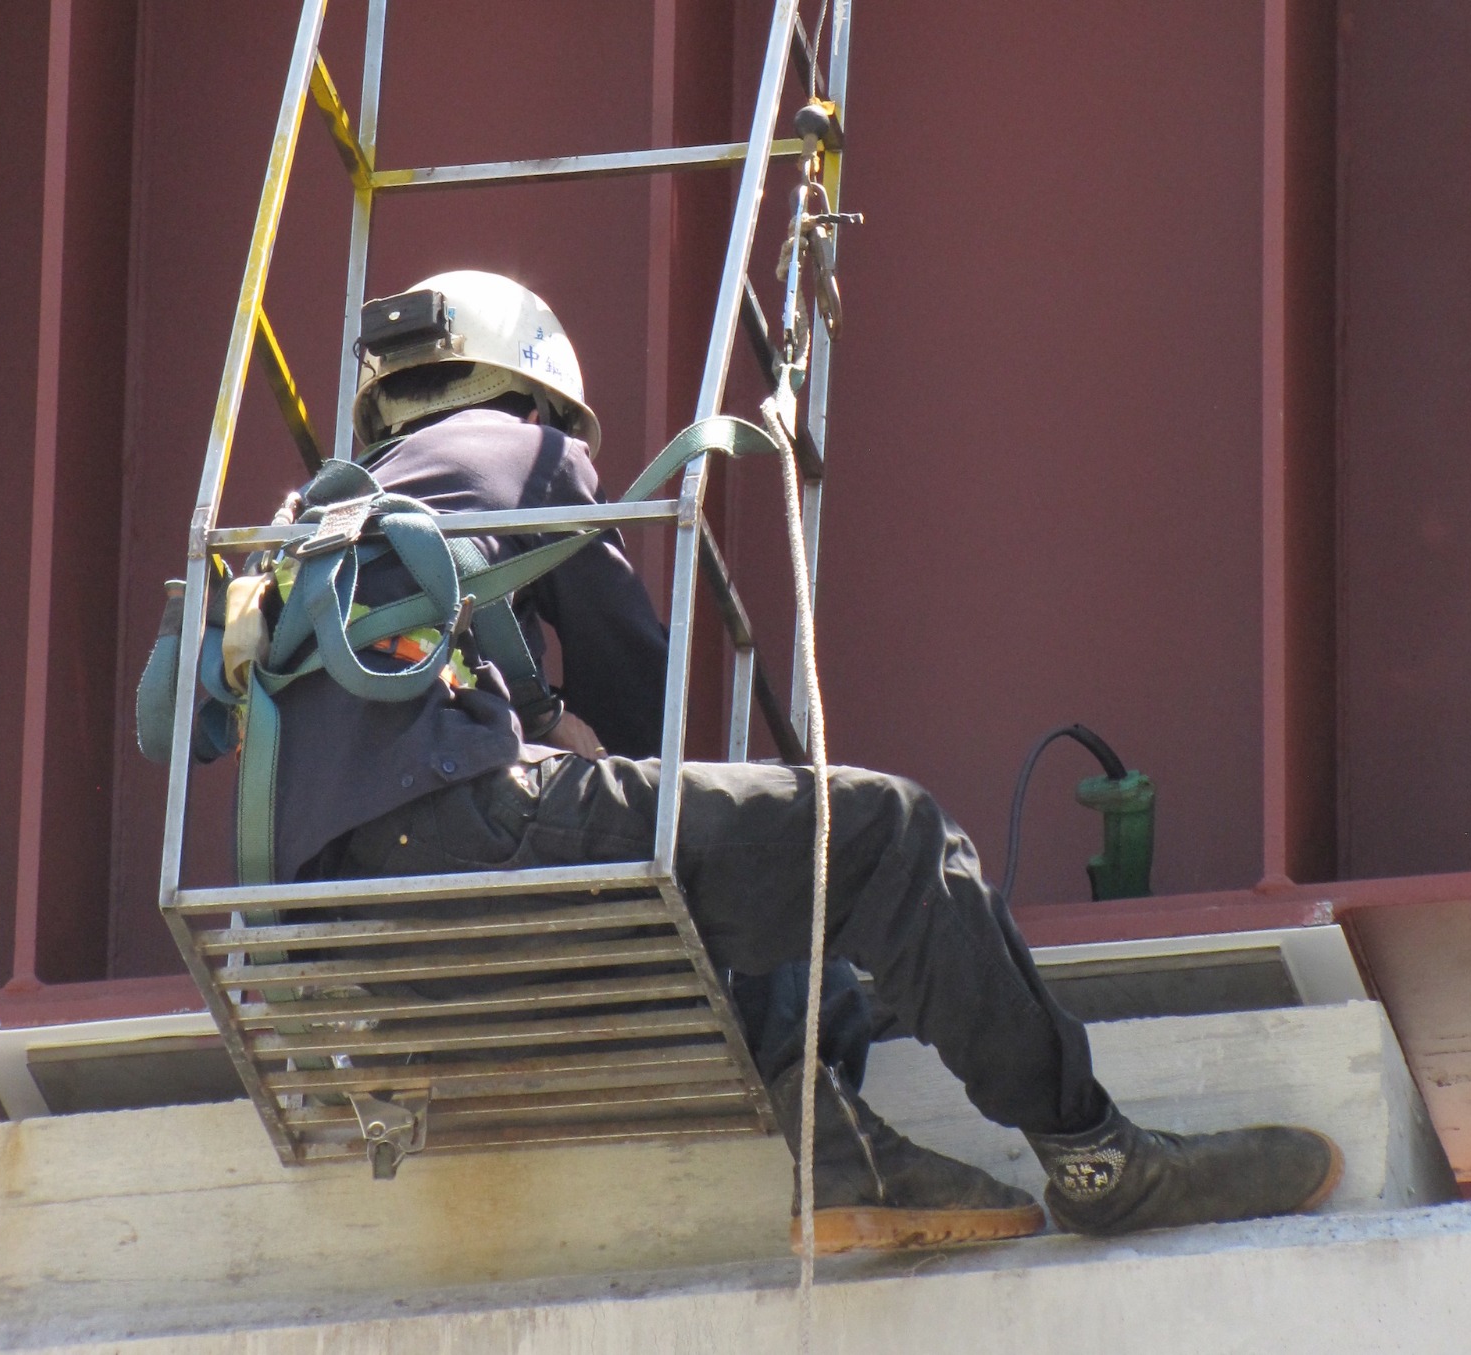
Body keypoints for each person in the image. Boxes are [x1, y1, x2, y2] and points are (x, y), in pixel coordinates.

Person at [265, 269, 1343, 1251]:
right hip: (466, 828)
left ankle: (846, 1158)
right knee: (882, 834)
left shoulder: (322, 517)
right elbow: (638, 683)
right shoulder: (523, 449)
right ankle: (1099, 1154)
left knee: (720, 861)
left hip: (349, 923)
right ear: (531, 393)